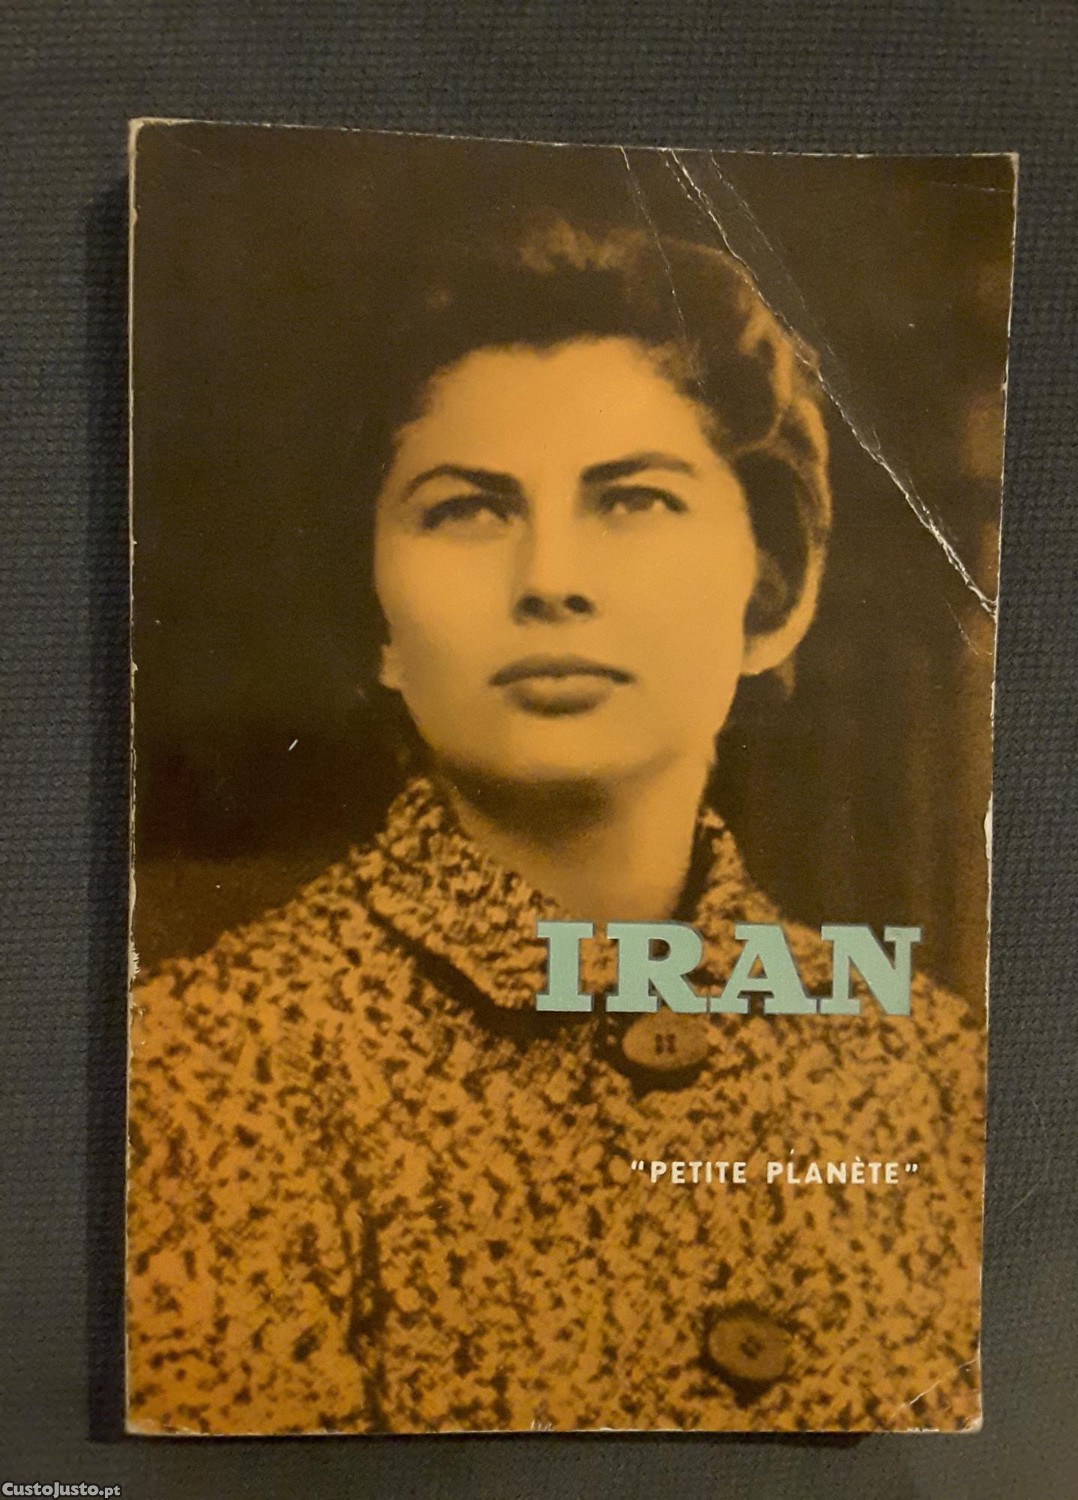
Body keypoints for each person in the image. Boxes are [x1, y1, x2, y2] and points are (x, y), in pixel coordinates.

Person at [127, 221, 983, 1434]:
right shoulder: (202, 1075)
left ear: (772, 596)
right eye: (468, 510)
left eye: (633, 500)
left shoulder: (940, 1079)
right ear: (378, 622)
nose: (549, 580)